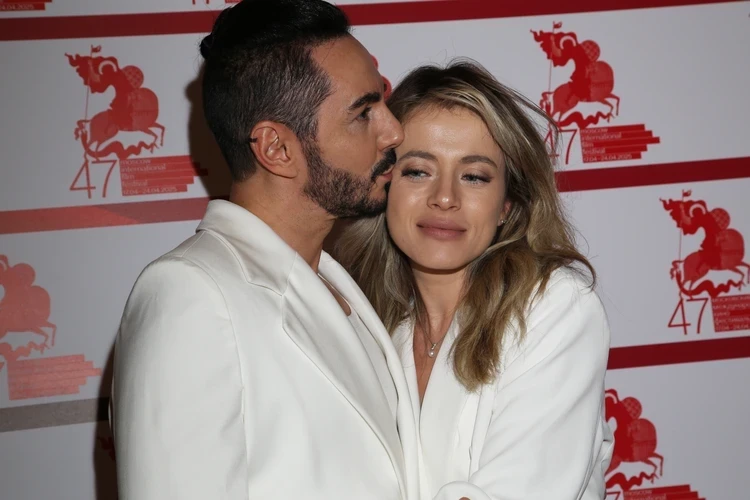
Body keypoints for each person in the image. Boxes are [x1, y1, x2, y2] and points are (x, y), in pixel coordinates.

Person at [109, 1, 420, 499]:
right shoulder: (190, 296)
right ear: (276, 148)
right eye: (363, 113)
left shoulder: (336, 281)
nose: (394, 130)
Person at [335, 60, 614, 500]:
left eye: (474, 176)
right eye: (418, 171)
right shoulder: (365, 323)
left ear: (506, 205)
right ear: (384, 186)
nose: (445, 197)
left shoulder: (555, 307)